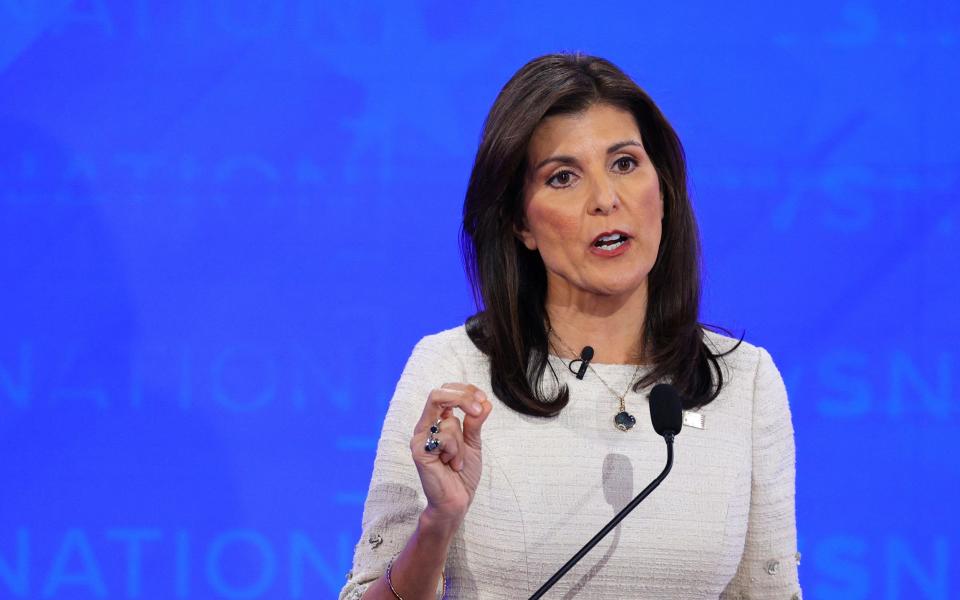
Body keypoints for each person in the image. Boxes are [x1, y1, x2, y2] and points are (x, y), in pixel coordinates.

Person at [340, 53, 801, 599]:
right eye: (563, 178)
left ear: (665, 188)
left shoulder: (744, 383)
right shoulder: (455, 374)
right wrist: (437, 524)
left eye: (625, 164)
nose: (606, 199)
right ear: (520, 223)